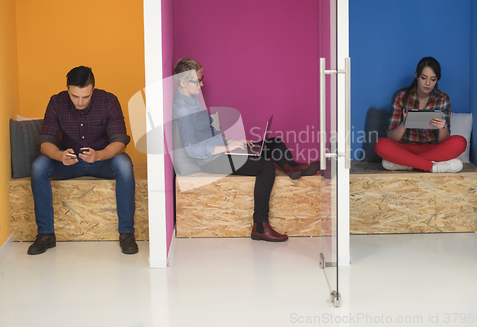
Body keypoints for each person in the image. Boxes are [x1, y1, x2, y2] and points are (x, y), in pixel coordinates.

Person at [172, 57, 320, 242]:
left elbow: (208, 132)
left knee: (273, 142)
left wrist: (235, 142)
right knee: (265, 167)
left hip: (221, 151)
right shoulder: (183, 110)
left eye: (202, 79)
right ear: (183, 82)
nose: (202, 85)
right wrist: (227, 148)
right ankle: (260, 226)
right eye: (198, 81)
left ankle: (291, 168)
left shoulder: (192, 102)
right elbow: (192, 149)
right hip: (212, 161)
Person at [28, 66, 137, 255]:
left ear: (93, 89)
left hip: (102, 160)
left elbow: (120, 142)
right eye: (74, 96)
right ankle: (45, 235)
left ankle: (126, 233)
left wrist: (100, 155)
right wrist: (59, 156)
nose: (79, 102)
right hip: (69, 162)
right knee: (39, 166)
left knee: (124, 164)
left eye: (85, 97)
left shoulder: (108, 101)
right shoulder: (56, 102)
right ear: (67, 89)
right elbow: (45, 143)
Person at [374, 57, 466, 172]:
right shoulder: (401, 97)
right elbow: (391, 138)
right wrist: (404, 124)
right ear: (416, 75)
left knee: (460, 142)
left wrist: (442, 127)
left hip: (433, 149)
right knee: (380, 144)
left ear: (437, 80)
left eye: (433, 79)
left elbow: (444, 141)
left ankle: (406, 163)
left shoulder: (443, 99)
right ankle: (431, 166)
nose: (428, 83)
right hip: (406, 148)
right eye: (424, 78)